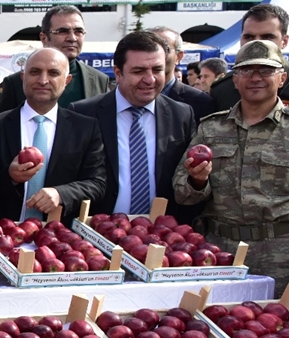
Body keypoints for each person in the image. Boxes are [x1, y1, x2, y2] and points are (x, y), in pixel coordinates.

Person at [175, 40, 289, 295]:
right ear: (235, 79)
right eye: (246, 71)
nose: (256, 78)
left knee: (279, 327)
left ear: (282, 78)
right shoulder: (211, 128)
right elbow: (181, 191)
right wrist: (198, 181)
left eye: (265, 71)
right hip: (219, 253)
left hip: (281, 256)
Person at [70, 31, 196, 217]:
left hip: (162, 234)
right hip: (97, 231)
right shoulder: (84, 113)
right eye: (139, 71)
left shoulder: (182, 114)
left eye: (157, 70)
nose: (150, 79)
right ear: (118, 73)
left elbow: (185, 180)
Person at [0, 48, 106, 223]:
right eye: (35, 72)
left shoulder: (86, 128)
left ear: (67, 81)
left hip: (61, 239)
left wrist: (61, 193)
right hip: (3, 234)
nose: (43, 80)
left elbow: (96, 183)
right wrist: (10, 178)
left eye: (53, 73)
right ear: (23, 77)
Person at [0, 6, 113, 113]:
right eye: (63, 31)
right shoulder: (15, 84)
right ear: (44, 38)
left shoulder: (99, 80)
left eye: (78, 31)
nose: (72, 38)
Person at [210, 4, 289, 114]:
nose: (257, 44)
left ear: (284, 41)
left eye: (267, 37)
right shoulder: (221, 88)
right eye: (249, 37)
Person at [148, 27, 215, 124]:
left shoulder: (201, 101)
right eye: (150, 48)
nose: (156, 55)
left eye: (165, 49)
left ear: (179, 56)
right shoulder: (127, 96)